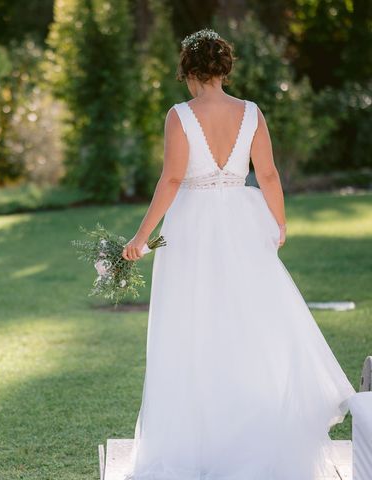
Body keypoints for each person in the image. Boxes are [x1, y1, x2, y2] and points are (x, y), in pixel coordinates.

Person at [121, 28, 356, 480]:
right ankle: (251, 430)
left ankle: (198, 440)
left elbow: (170, 181)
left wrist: (140, 238)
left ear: (190, 71)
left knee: (191, 328)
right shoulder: (251, 113)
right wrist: (278, 224)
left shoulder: (179, 115)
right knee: (249, 324)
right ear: (224, 68)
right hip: (243, 225)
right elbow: (267, 174)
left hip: (191, 228)